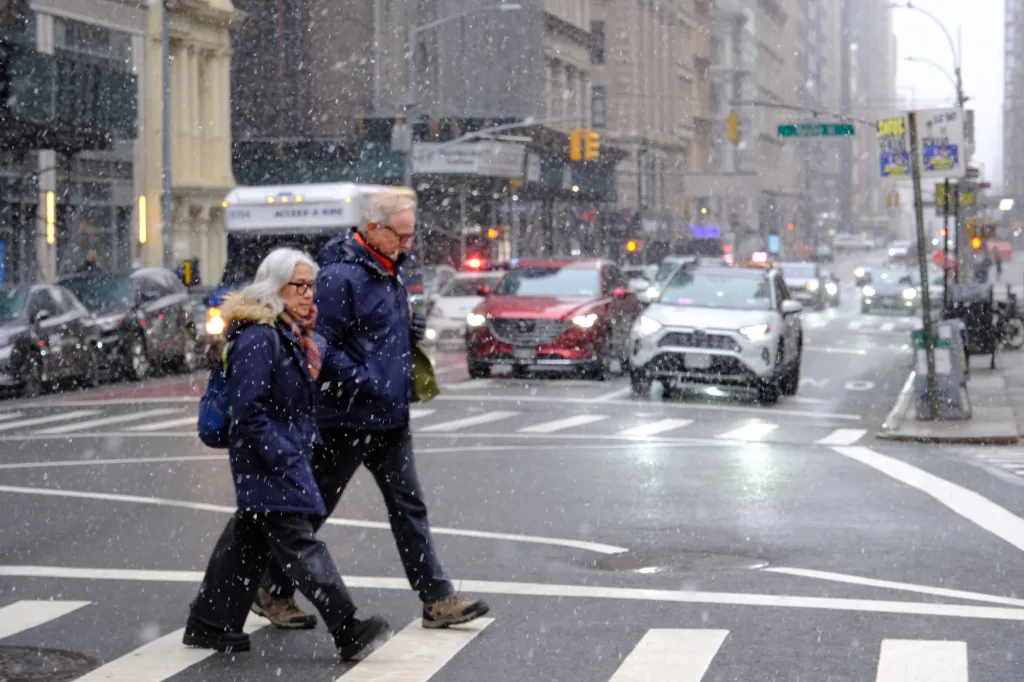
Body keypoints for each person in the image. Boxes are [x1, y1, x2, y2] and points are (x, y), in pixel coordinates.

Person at [254, 191, 489, 630]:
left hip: (389, 417)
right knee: (313, 509)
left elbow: (373, 334)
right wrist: (363, 379)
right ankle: (271, 587)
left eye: (411, 233)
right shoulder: (342, 277)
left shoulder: (388, 270)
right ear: (373, 228)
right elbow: (319, 341)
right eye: (401, 234)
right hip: (346, 418)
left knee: (409, 507)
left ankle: (437, 599)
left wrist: (405, 330)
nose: (408, 243)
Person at [184, 247, 390, 661]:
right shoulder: (260, 337)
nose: (309, 294)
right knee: (300, 544)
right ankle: (347, 626)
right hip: (268, 460)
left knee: (246, 541)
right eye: (299, 286)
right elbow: (249, 410)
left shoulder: (288, 333)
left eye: (311, 286)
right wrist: (281, 454)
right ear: (275, 286)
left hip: (277, 455)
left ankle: (209, 622)